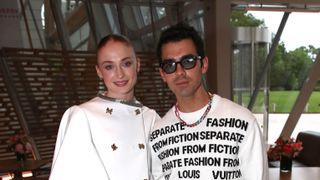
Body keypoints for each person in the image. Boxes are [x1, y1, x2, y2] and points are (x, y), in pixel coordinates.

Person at [149, 23, 268, 180]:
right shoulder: (157, 133)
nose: (179, 72)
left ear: (203, 64)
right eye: (169, 65)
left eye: (188, 61)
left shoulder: (243, 122)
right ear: (163, 74)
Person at [49, 34, 159, 180]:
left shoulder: (151, 118)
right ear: (99, 71)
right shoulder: (82, 116)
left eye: (126, 64)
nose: (119, 74)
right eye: (109, 67)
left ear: (137, 64)